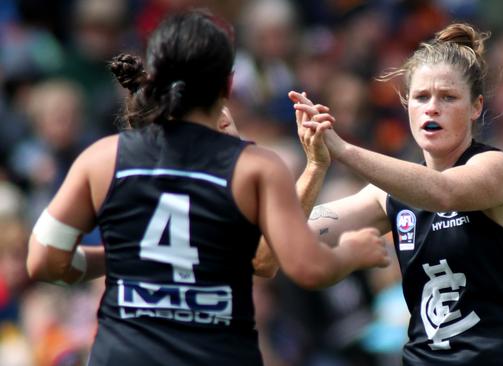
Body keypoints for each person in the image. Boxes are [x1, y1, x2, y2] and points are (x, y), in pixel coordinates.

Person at [25, 10, 390, 366]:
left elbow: (44, 261)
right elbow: (306, 267)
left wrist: (133, 257)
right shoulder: (256, 167)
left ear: (152, 78)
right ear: (228, 84)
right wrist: (352, 252)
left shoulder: (102, 159)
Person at [281, 22, 503, 365]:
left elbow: (443, 192)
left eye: (448, 97)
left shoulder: (501, 169)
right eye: (421, 97)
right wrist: (315, 166)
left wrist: (343, 150)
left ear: (476, 107)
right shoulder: (388, 193)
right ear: (406, 104)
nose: (432, 108)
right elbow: (292, 235)